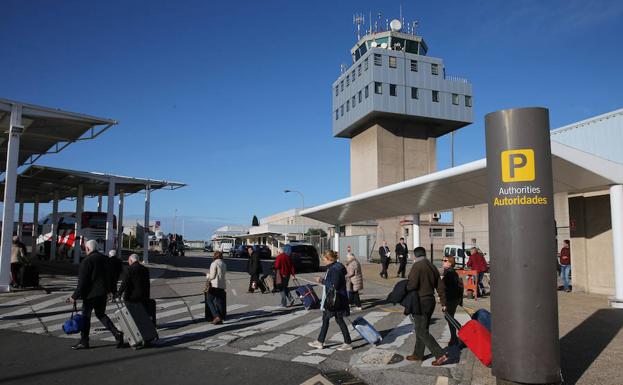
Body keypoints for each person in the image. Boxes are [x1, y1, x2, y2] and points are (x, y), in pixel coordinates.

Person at [68, 239, 123, 350]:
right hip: (102, 293)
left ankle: (84, 341)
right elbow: (111, 277)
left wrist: (74, 296)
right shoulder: (105, 259)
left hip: (90, 295)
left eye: (85, 249)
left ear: (88, 249)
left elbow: (82, 281)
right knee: (101, 314)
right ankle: (117, 333)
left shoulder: (87, 261)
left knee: (85, 317)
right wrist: (112, 291)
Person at [406, 246, 448, 366]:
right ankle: (418, 354)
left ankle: (440, 354)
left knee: (420, 330)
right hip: (430, 301)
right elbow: (440, 287)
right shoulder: (432, 266)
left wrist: (406, 287)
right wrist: (443, 303)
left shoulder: (417, 266)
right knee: (423, 329)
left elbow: (412, 285)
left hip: (420, 302)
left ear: (415, 255)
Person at [308, 250, 352, 351]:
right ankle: (346, 342)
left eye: (324, 259)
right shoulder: (337, 266)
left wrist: (321, 280)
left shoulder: (334, 269)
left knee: (328, 319)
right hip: (338, 298)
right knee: (336, 320)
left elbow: (334, 285)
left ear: (329, 259)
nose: (323, 261)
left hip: (335, 299)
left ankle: (321, 342)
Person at [439, 255, 463, 347]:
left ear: (450, 262)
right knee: (449, 317)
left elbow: (445, 287)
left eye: (445, 260)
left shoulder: (449, 273)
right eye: (443, 260)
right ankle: (454, 338)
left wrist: (441, 279)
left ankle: (458, 334)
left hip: (451, 299)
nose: (443, 261)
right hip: (455, 298)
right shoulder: (451, 272)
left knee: (449, 317)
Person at [205, 251, 227, 324]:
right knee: (219, 302)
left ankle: (216, 316)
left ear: (215, 256)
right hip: (222, 285)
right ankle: (220, 317)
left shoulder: (214, 263)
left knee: (209, 300)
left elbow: (212, 276)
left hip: (214, 285)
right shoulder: (224, 264)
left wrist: (207, 276)